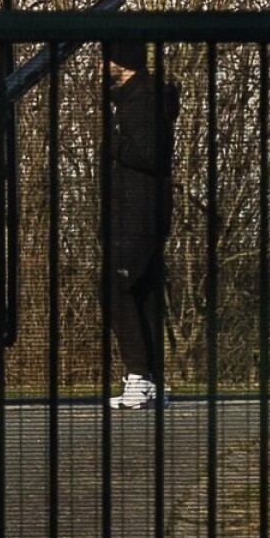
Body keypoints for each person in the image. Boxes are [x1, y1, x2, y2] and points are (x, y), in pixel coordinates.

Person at [103, 40, 178, 410]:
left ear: (123, 63)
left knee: (114, 285)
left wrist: (113, 143)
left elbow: (150, 154)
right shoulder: (138, 99)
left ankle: (138, 373)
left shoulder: (143, 102)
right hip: (139, 210)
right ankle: (149, 378)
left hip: (139, 212)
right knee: (143, 291)